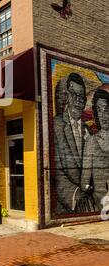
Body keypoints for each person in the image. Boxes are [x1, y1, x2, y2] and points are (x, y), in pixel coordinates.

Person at [53, 72, 91, 214]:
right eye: (73, 94)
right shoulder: (56, 126)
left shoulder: (88, 131)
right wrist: (76, 196)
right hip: (66, 207)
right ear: (66, 96)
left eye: (81, 97)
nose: (77, 101)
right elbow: (56, 173)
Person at [82, 88, 109, 211]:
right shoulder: (91, 142)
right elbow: (85, 179)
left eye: (106, 110)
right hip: (100, 202)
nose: (103, 115)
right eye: (99, 110)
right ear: (95, 113)